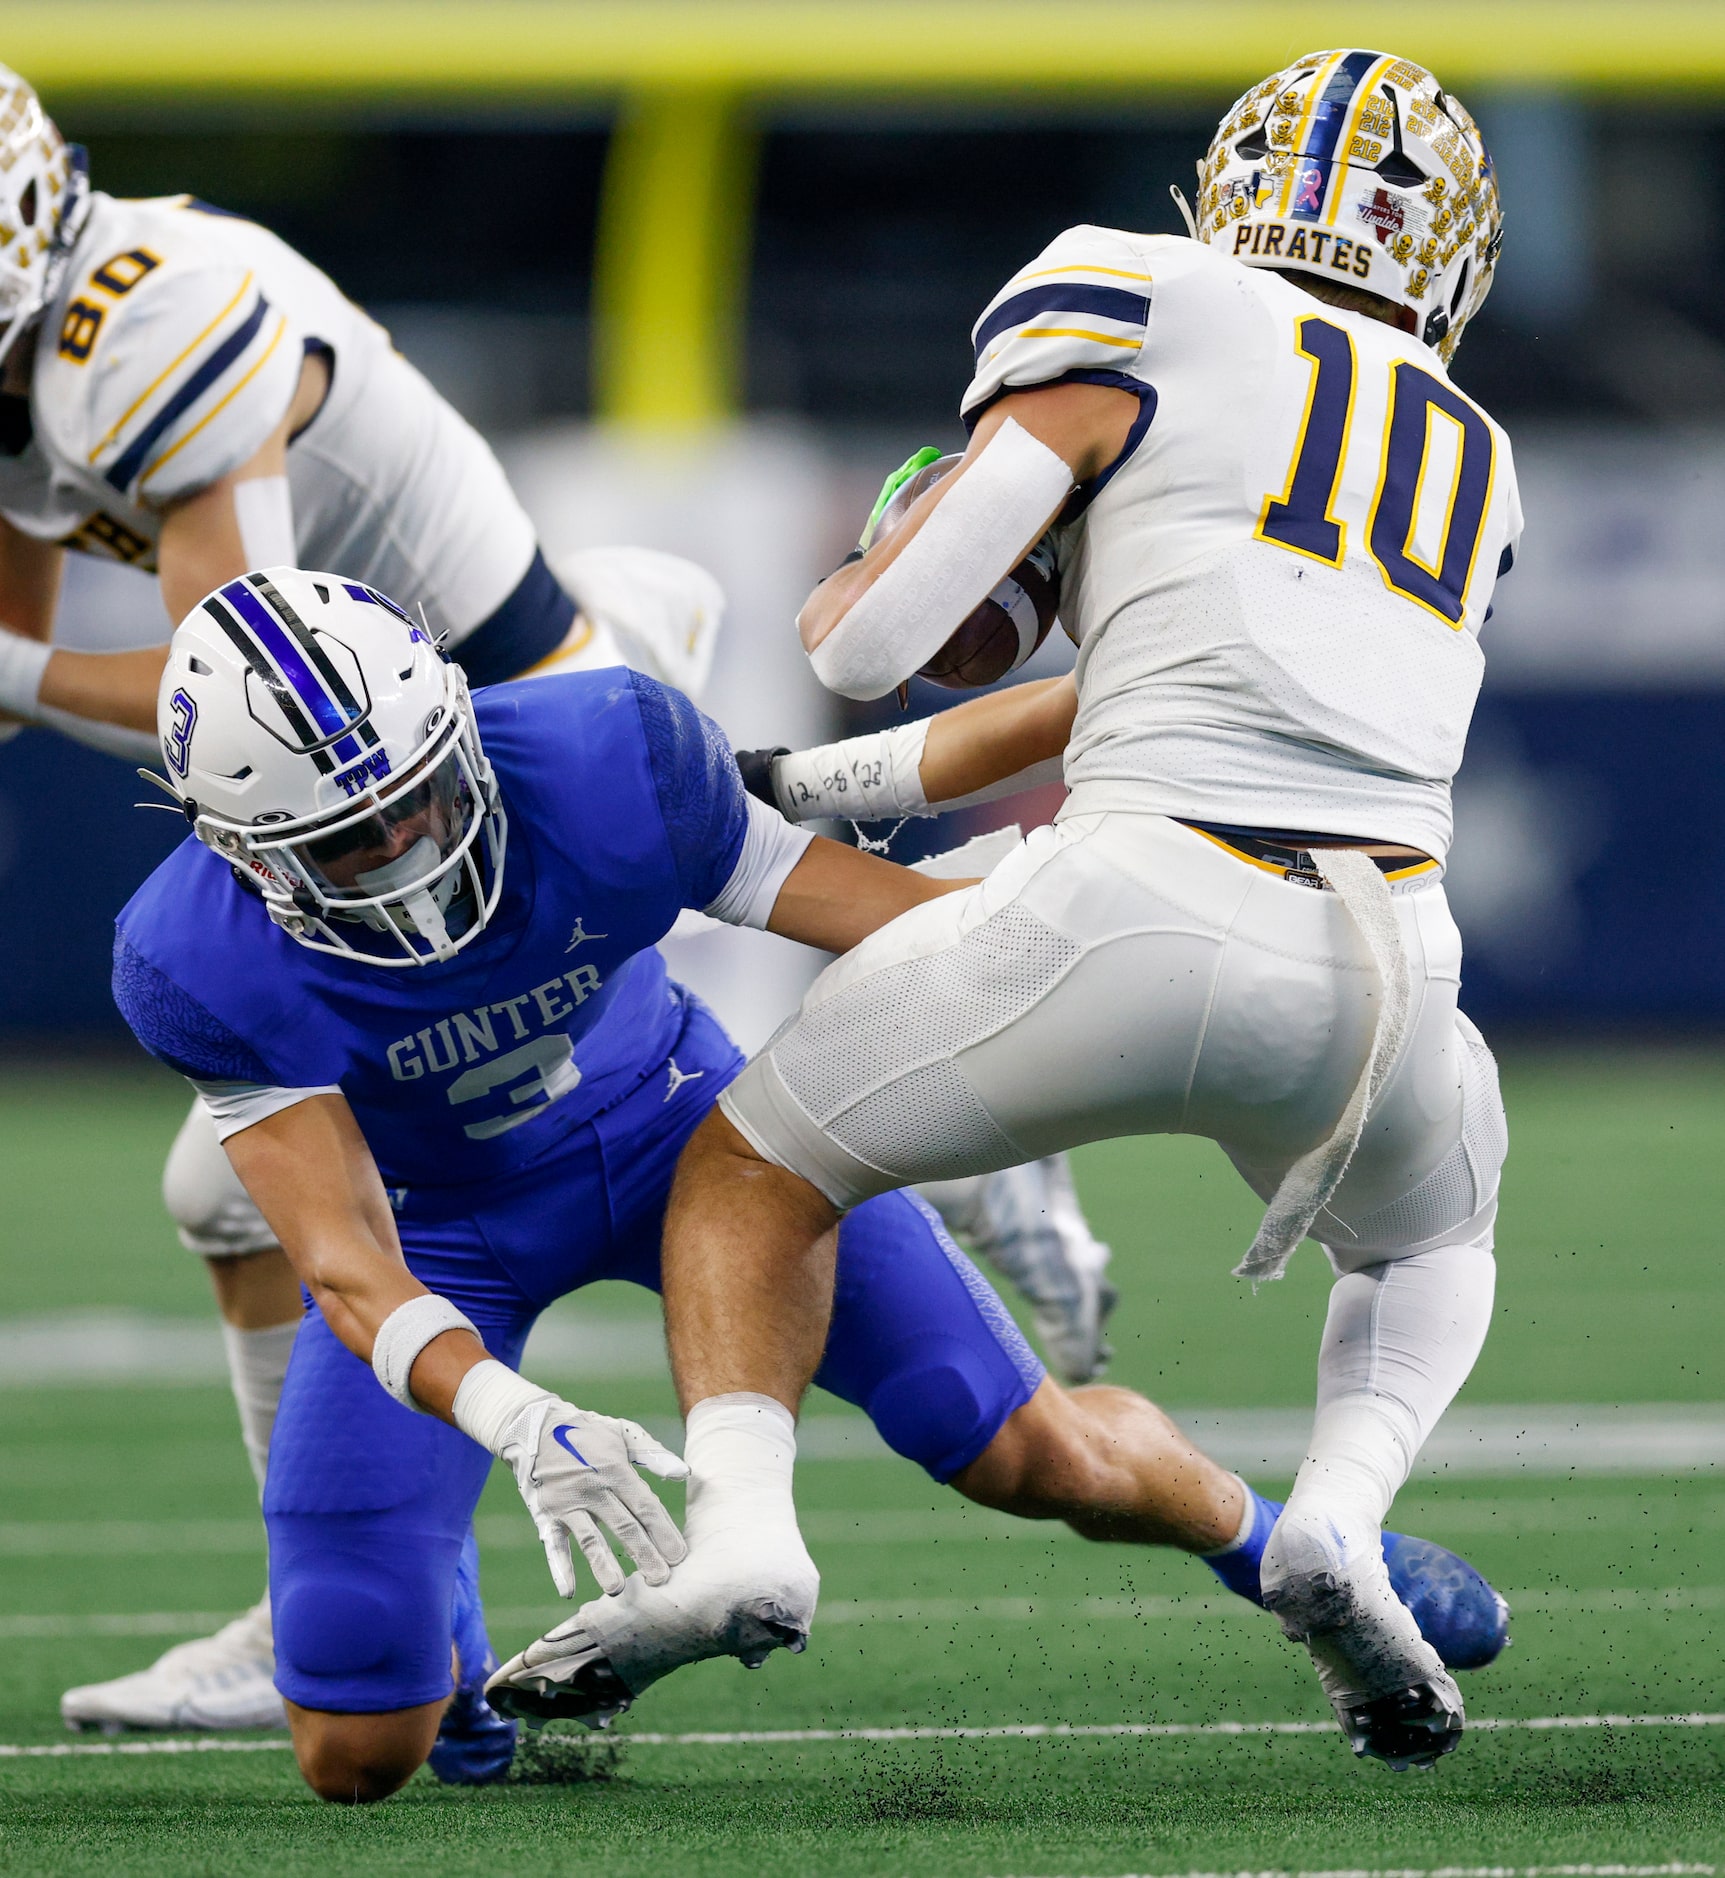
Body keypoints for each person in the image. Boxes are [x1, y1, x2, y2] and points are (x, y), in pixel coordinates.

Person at [0, 65, 1111, 1739]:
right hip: (398, 776)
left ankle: (991, 1141)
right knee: (239, 1195)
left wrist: (9, 660)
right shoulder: (40, 353)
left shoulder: (147, 328)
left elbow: (238, 674)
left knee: (659, 1067)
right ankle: (339, 1596)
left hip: (511, 738)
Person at [495, 49, 1520, 1774]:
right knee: (1430, 1247)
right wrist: (823, 788)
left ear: (1234, 189)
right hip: (1396, 964)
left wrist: (861, 591)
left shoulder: (1143, 285)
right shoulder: (1473, 454)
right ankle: (1339, 1511)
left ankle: (743, 1527)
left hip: (1135, 898)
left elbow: (870, 644)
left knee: (752, 1170)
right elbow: (1148, 677)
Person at [114, 570, 1505, 1802]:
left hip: (673, 1128)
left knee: (1022, 1446)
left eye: (417, 797)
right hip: (440, 1231)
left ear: (458, 725)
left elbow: (860, 910)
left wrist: (1034, 1039)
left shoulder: (602, 755)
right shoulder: (194, 957)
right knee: (355, 1752)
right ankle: (450, 1621)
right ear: (234, 847)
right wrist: (515, 1416)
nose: (409, 855)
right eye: (351, 840)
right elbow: (349, 1264)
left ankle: (1269, 1545)